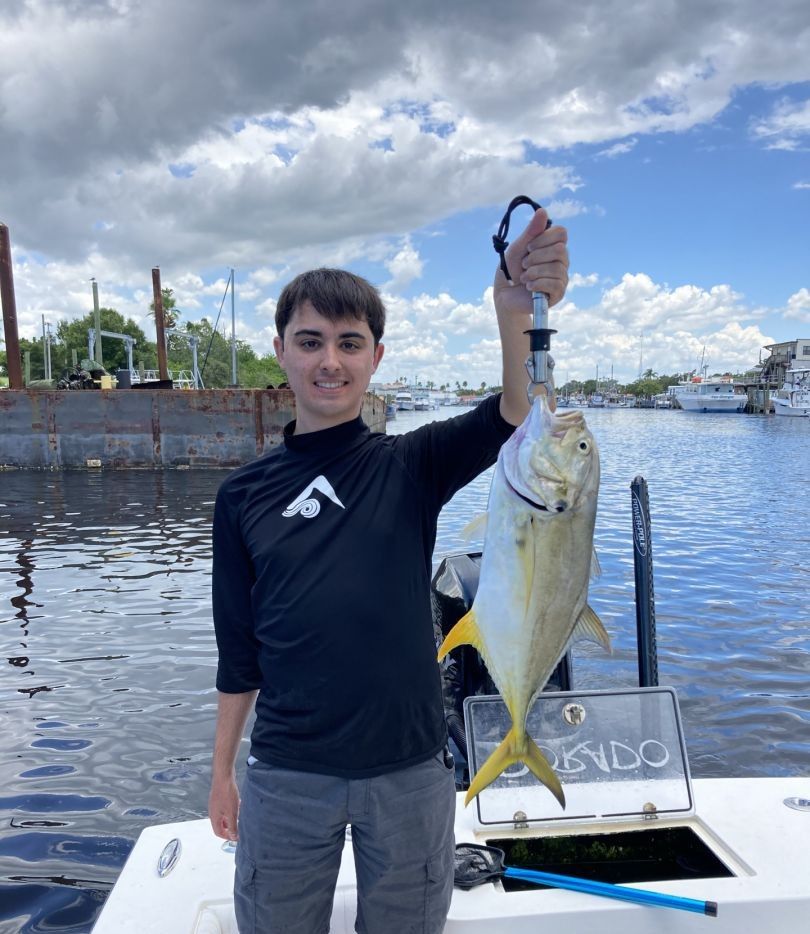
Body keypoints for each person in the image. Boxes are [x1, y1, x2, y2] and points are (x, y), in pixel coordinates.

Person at [208, 207, 569, 934]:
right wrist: (222, 772)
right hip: (286, 774)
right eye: (310, 342)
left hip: (410, 773)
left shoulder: (411, 465)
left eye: (349, 342)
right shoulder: (241, 497)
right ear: (280, 351)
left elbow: (516, 413)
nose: (329, 361)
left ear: (376, 356)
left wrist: (510, 309)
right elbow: (238, 653)